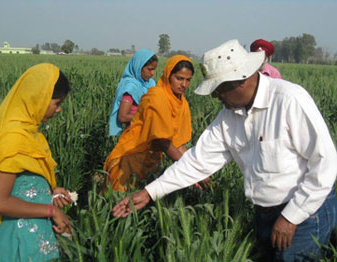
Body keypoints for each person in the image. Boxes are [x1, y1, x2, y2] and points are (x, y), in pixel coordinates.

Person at [113, 39, 337, 262]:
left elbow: (325, 163)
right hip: (265, 214)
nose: (215, 97)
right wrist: (149, 192)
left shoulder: (289, 100)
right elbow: (196, 161)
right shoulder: (229, 117)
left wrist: (291, 217)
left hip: (306, 212)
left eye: (218, 89)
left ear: (240, 80)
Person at [0, 63, 73, 261]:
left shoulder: (31, 135)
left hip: (34, 238)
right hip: (18, 242)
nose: (59, 110)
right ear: (38, 99)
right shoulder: (14, 139)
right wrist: (51, 210)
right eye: (57, 103)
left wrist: (50, 193)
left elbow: (23, 183)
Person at [103, 55, 194, 192]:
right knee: (118, 205)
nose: (184, 85)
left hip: (150, 162)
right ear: (168, 75)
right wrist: (191, 171)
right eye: (179, 78)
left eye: (188, 80)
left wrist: (195, 169)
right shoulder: (156, 97)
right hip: (129, 160)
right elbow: (163, 142)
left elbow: (179, 143)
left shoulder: (181, 103)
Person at [109, 49, 158, 136]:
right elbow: (123, 117)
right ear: (139, 67)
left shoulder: (150, 84)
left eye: (154, 69)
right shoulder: (131, 88)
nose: (153, 73)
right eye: (149, 69)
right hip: (133, 134)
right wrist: (147, 116)